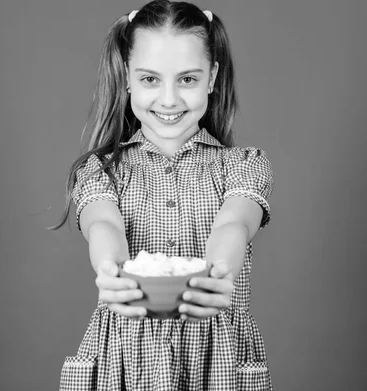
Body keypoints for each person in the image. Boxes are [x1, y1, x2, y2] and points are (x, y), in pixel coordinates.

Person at [51, 1, 274, 389]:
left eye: (187, 79)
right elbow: (103, 223)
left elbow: (235, 223)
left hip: (216, 363)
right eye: (151, 79)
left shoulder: (243, 165)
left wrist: (217, 275)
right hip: (124, 363)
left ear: (212, 77)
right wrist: (110, 270)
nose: (169, 100)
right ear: (127, 78)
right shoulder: (100, 170)